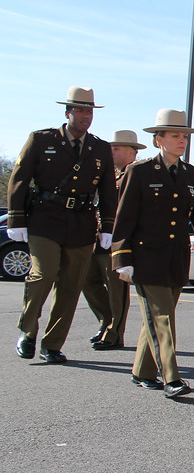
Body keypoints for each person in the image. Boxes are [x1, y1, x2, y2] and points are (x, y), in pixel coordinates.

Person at [112, 109, 194, 398]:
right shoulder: (140, 171)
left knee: (159, 315)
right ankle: (171, 377)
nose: (182, 141)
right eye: (175, 136)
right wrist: (122, 258)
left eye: (184, 136)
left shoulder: (192, 174)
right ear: (159, 139)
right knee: (162, 318)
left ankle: (142, 370)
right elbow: (125, 219)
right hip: (146, 258)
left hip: (176, 258)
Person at [11, 86, 116, 363]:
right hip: (45, 219)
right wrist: (16, 218)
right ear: (68, 112)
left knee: (71, 285)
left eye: (90, 111)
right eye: (80, 110)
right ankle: (28, 331)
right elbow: (19, 179)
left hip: (81, 223)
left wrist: (107, 227)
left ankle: (52, 344)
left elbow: (108, 192)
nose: (86, 116)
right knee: (42, 275)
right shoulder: (41, 139)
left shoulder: (100, 148)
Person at [85, 129, 146, 350]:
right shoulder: (109, 174)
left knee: (116, 289)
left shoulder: (134, 173)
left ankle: (114, 334)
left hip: (118, 240)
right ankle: (105, 321)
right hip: (98, 236)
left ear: (132, 152)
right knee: (87, 279)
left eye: (117, 148)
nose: (112, 152)